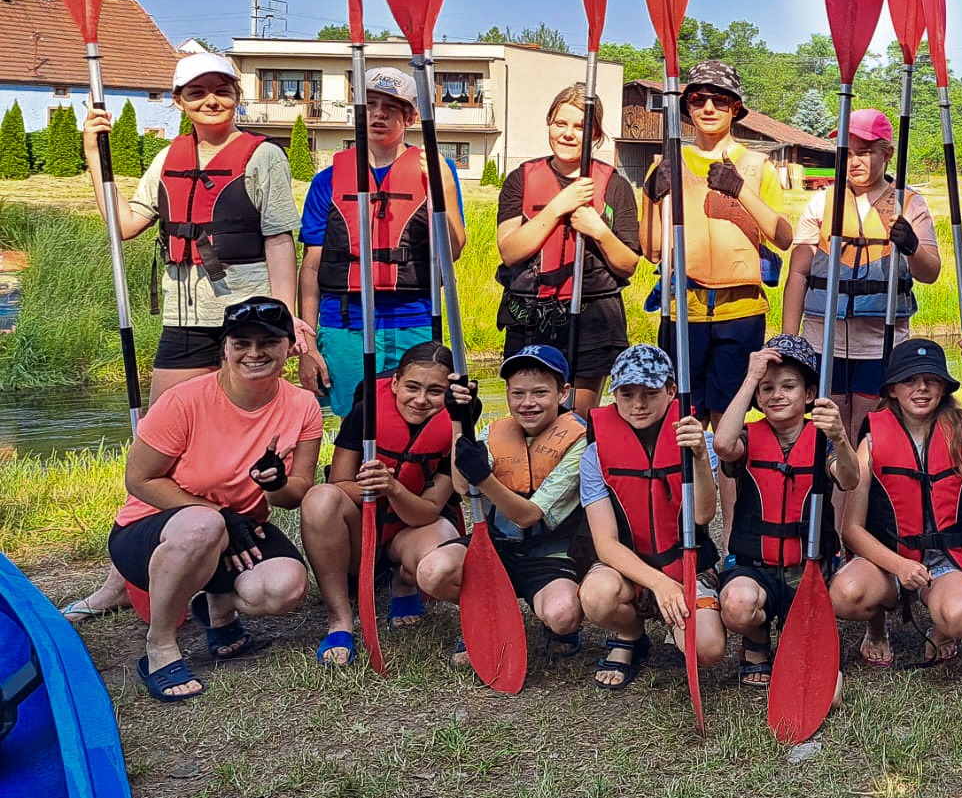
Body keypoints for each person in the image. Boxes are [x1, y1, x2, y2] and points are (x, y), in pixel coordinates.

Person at [66, 52, 315, 625]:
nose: (211, 100)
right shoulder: (166, 159)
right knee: (160, 453)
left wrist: (283, 318)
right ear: (179, 102)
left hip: (246, 321)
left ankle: (226, 559)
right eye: (197, 92)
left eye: (221, 89)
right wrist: (92, 154)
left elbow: (280, 241)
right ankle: (122, 578)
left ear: (236, 95)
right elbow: (123, 226)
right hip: (184, 318)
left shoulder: (265, 157)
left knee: (242, 447)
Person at [107, 297, 323, 702]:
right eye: (241, 342)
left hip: (238, 531)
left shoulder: (303, 406)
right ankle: (160, 646)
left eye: (268, 342)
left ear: (290, 346)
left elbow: (296, 495)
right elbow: (138, 479)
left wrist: (274, 483)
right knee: (202, 526)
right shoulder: (185, 400)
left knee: (285, 588)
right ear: (224, 347)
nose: (254, 353)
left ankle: (218, 606)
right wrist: (220, 513)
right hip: (156, 532)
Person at [831, 335, 962, 669]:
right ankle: (877, 625)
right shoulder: (871, 441)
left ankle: (942, 631)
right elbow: (851, 530)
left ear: (944, 388)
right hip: (888, 560)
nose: (921, 388)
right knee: (845, 593)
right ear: (892, 390)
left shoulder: (957, 429)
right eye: (909, 380)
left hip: (944, 561)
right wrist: (899, 566)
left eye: (931, 380)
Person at [297, 66, 465, 416]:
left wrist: (443, 188)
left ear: (410, 116)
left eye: (391, 106)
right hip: (344, 324)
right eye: (370, 105)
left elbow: (453, 252)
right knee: (353, 424)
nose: (378, 114)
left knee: (418, 420)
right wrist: (308, 343)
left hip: (415, 320)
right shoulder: (326, 181)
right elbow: (312, 265)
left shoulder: (436, 171)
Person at [300, 341, 472, 667]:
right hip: (363, 531)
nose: (421, 400)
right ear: (394, 384)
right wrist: (372, 489)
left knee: (437, 545)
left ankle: (404, 581)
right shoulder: (366, 412)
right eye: (412, 387)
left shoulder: (456, 423)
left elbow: (430, 510)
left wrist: (394, 488)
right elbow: (338, 484)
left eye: (435, 391)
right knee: (319, 499)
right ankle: (340, 620)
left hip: (415, 525)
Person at [640, 60, 792, 422]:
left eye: (720, 100)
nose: (708, 107)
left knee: (729, 418)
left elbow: (783, 237)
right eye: (698, 99)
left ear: (735, 108)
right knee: (685, 417)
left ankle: (728, 480)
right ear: (687, 106)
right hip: (684, 311)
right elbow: (651, 251)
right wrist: (650, 195)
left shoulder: (758, 165)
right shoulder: (666, 163)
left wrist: (739, 189)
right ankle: (692, 479)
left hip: (740, 313)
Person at [415, 344, 590, 661]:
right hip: (496, 547)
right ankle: (489, 616)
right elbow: (461, 486)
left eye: (539, 393)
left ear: (563, 393)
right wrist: (459, 421)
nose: (527, 403)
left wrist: (484, 478)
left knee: (562, 614)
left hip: (550, 555)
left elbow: (528, 516)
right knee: (432, 572)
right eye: (518, 393)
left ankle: (552, 623)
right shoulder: (494, 431)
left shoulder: (580, 441)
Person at [712, 335, 860, 687]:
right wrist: (750, 378)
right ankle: (757, 638)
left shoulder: (822, 440)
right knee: (736, 603)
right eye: (767, 389)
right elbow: (721, 443)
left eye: (788, 386)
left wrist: (840, 436)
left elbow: (851, 479)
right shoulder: (747, 437)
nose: (776, 394)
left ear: (809, 395)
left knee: (813, 659)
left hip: (807, 567)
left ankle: (799, 637)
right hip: (755, 567)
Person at [577, 344, 724, 690]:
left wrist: (701, 459)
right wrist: (659, 584)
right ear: (613, 394)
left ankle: (681, 622)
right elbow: (605, 544)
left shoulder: (699, 441)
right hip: (627, 570)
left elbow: (704, 513)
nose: (638, 405)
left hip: (685, 565)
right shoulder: (595, 455)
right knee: (597, 596)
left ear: (672, 391)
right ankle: (630, 634)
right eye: (627, 394)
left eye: (650, 393)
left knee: (709, 650)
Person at [782, 108, 940, 429]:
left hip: (880, 340)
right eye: (848, 152)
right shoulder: (823, 202)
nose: (854, 161)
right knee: (830, 419)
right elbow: (798, 273)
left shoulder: (909, 204)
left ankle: (862, 479)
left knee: (868, 423)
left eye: (865, 152)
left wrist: (911, 245)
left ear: (888, 154)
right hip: (822, 337)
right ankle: (832, 480)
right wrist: (789, 341)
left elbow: (930, 272)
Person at [494, 84, 641, 414]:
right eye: (561, 124)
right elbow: (511, 251)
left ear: (595, 135)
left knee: (577, 422)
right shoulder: (521, 179)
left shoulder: (615, 185)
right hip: (530, 316)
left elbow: (628, 264)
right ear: (549, 123)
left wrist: (598, 230)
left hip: (593, 320)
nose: (568, 134)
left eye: (580, 127)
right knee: (531, 415)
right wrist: (556, 207)